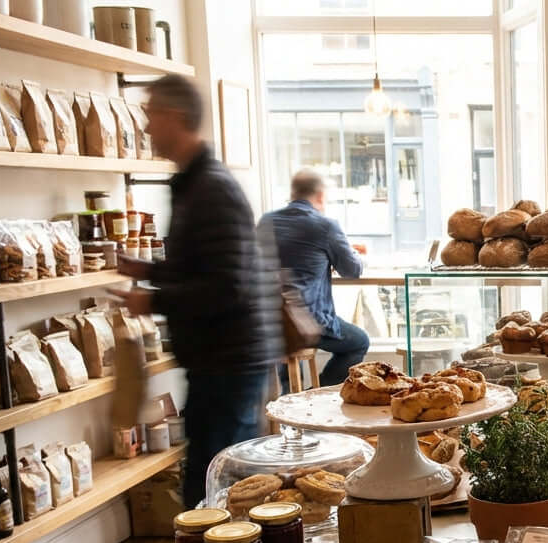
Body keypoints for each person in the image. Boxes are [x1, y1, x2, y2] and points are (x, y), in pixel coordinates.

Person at [111, 74, 281, 509]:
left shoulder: (211, 189)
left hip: (229, 362)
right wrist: (148, 269)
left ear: (178, 116)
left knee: (217, 489)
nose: (147, 128)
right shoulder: (195, 185)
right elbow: (205, 267)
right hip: (220, 360)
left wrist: (153, 298)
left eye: (152, 115)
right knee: (216, 483)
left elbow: (228, 286)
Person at [260, 169, 368, 388]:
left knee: (285, 337)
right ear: (320, 195)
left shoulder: (267, 221)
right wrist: (353, 253)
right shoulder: (325, 225)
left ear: (293, 193)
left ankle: (291, 398)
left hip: (270, 318)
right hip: (309, 320)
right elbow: (352, 270)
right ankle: (315, 392)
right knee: (359, 342)